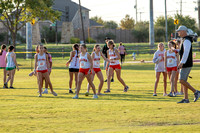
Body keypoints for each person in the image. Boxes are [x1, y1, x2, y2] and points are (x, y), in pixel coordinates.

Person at [176, 26, 200, 103]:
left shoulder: (186, 41)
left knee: (181, 80)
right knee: (184, 81)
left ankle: (196, 92)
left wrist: (181, 63)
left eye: (179, 31)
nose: (178, 32)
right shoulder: (184, 40)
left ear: (183, 31)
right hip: (185, 63)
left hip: (186, 63)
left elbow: (186, 53)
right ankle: (186, 98)